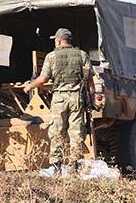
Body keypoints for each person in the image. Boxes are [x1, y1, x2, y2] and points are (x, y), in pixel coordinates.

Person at [24, 28, 92, 175]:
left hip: (59, 99)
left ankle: (57, 167)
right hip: (76, 98)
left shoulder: (51, 56)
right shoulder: (82, 55)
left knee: (57, 131)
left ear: (59, 41)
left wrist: (30, 85)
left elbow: (43, 78)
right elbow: (89, 80)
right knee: (76, 131)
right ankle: (74, 165)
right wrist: (91, 99)